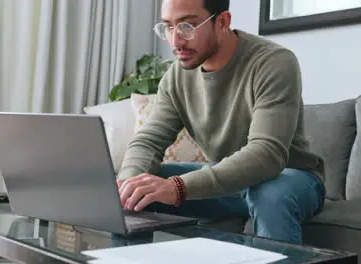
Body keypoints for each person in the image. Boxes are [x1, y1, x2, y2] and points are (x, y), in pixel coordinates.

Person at [116, 0, 326, 245]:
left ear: (223, 22)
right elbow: (149, 141)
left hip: (288, 177)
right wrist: (127, 184)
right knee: (140, 189)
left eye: (187, 26)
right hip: (228, 180)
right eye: (169, 27)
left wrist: (179, 187)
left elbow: (266, 154)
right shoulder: (176, 78)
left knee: (270, 196)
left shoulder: (274, 63)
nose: (175, 41)